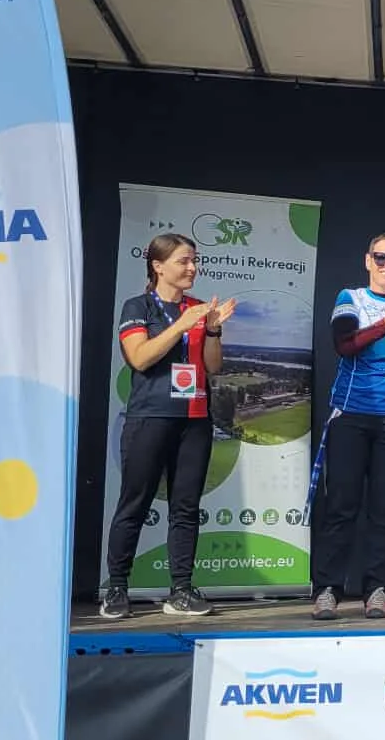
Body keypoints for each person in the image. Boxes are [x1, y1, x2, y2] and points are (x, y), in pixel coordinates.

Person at [102, 233, 236, 619]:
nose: (192, 268)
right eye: (183, 261)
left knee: (186, 507)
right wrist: (180, 326)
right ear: (158, 266)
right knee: (135, 503)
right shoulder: (138, 306)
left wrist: (212, 329)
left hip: (194, 419)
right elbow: (140, 358)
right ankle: (117, 588)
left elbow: (213, 367)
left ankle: (181, 589)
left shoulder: (197, 308)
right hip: (150, 417)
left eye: (195, 260)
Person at [309, 233, 385, 620]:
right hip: (351, 413)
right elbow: (345, 344)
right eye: (381, 258)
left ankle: (377, 588)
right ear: (368, 261)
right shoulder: (351, 298)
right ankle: (328, 588)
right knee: (342, 504)